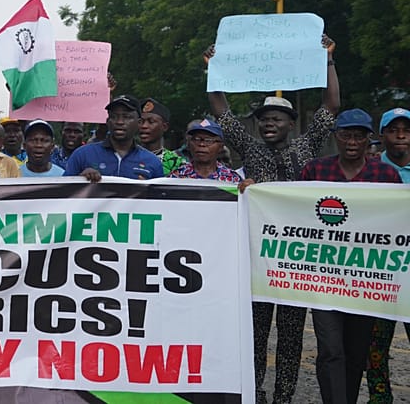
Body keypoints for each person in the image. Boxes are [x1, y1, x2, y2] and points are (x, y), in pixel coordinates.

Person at [205, 34, 339, 404]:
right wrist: (213, 69)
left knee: (293, 336)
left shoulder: (305, 147)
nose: (267, 124)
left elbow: (331, 106)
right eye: (263, 119)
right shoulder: (249, 148)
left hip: (294, 263)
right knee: (255, 333)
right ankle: (255, 393)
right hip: (258, 262)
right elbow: (222, 113)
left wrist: (328, 61)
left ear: (290, 124)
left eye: (275, 119)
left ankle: (284, 396)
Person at [297, 109, 400, 404]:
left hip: (366, 281)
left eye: (359, 136)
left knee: (356, 352)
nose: (352, 142)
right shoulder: (315, 171)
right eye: (346, 135)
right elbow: (291, 213)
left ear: (370, 139)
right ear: (336, 137)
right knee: (330, 349)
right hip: (324, 281)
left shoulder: (386, 175)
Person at [366, 106, 410, 403]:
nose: (401, 135)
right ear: (382, 136)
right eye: (393, 130)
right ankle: (379, 399)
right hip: (381, 273)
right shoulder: (369, 170)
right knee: (375, 347)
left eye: (406, 130)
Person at [64, 95, 164, 182]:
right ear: (108, 121)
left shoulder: (152, 161)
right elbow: (62, 191)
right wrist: (79, 180)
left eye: (126, 117)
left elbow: (161, 199)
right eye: (114, 116)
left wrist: (145, 189)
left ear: (139, 123)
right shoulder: (82, 154)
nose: (119, 122)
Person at [169, 119, 244, 183]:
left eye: (208, 140)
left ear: (220, 147)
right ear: (189, 144)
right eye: (197, 139)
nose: (201, 144)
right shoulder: (176, 177)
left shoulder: (233, 179)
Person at [139, 98, 186, 175]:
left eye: (151, 122)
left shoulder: (175, 162)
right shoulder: (127, 156)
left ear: (164, 127)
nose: (144, 126)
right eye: (140, 121)